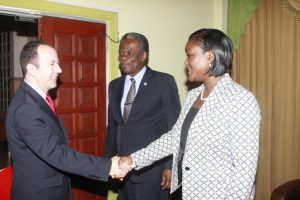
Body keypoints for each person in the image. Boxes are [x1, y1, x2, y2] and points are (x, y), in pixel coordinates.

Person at [118, 28, 261, 199]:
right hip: (186, 192)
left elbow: (244, 171)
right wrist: (133, 160)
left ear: (210, 56)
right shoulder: (193, 95)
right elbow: (173, 139)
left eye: (189, 55)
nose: (186, 62)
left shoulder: (240, 100)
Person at [5, 40, 126, 200]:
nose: (59, 69)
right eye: (52, 64)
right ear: (32, 69)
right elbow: (56, 153)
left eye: (58, 63)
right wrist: (108, 166)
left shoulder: (39, 99)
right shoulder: (26, 108)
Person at [104, 32, 181, 200]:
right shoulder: (114, 86)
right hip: (122, 171)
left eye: (129, 53)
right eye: (121, 53)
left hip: (152, 172)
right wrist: (107, 164)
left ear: (144, 55)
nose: (123, 58)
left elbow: (175, 129)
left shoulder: (163, 82)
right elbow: (113, 128)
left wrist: (171, 167)